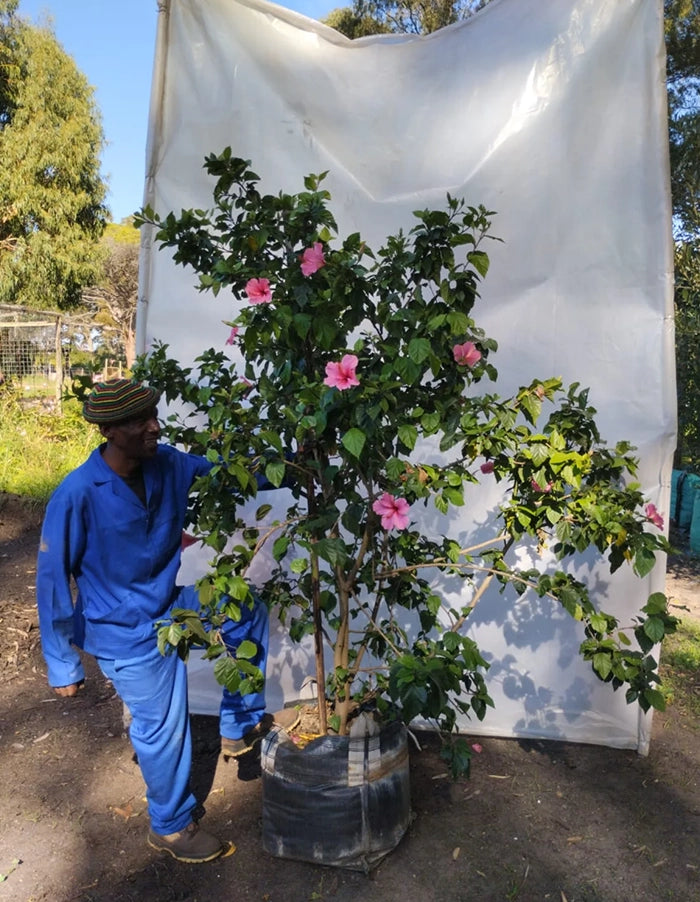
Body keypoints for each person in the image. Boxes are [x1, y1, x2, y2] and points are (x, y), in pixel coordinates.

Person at [36, 377, 299, 863]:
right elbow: (53, 577)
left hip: (170, 605)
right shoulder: (77, 494)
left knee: (243, 609)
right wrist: (62, 664)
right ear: (111, 431)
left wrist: (294, 466)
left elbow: (228, 474)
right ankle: (172, 826)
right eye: (141, 421)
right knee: (163, 726)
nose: (155, 426)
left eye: (154, 415)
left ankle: (237, 726)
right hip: (122, 632)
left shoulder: (168, 464)